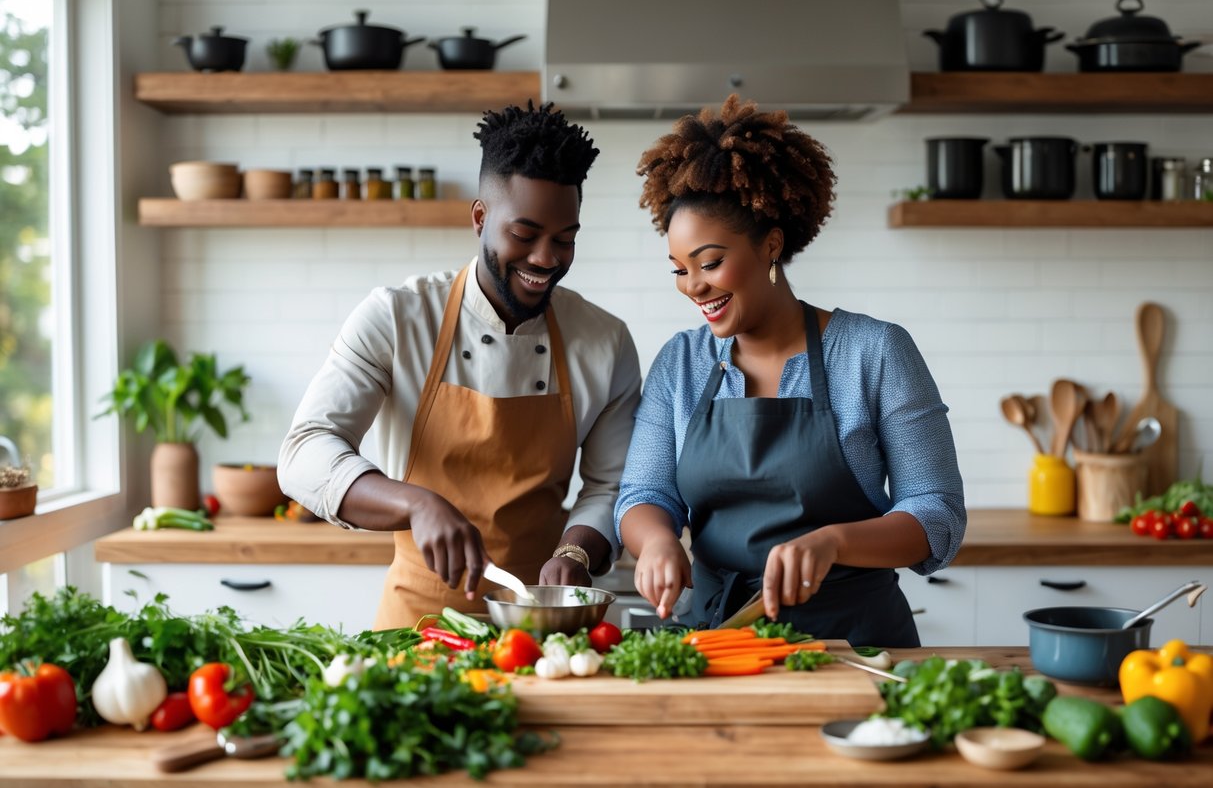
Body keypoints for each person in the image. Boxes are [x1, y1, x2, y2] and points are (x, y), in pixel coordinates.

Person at [615, 96, 965, 647]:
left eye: (710, 263)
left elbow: (936, 513)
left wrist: (834, 542)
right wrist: (656, 541)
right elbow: (644, 492)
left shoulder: (874, 352)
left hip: (855, 645)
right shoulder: (680, 363)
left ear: (771, 245)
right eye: (680, 270)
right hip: (718, 640)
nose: (694, 287)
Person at [280, 102, 642, 630]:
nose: (546, 259)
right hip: (415, 626)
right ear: (479, 217)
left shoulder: (604, 340)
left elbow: (610, 485)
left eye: (565, 240)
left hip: (539, 625)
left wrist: (577, 555)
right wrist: (416, 504)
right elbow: (304, 451)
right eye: (524, 234)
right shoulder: (398, 317)